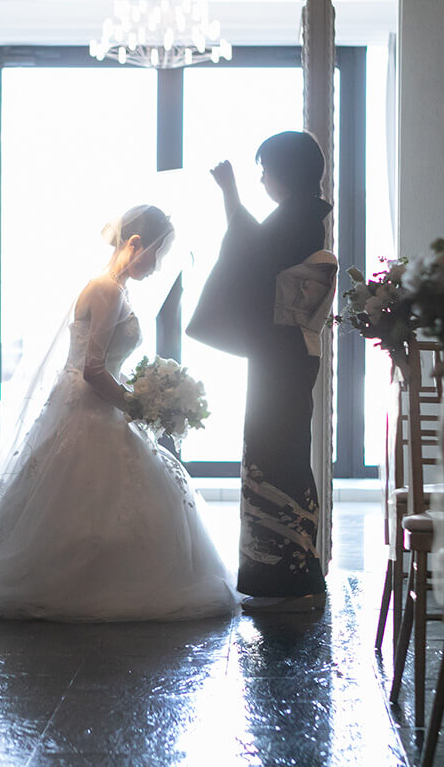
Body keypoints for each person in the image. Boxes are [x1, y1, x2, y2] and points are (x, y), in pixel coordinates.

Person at [0, 205, 238, 621]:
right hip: (91, 407)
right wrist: (137, 405)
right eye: (158, 254)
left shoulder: (115, 289)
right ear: (134, 244)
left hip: (96, 404)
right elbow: (93, 370)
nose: (160, 266)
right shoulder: (107, 290)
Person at [187, 131, 333, 613]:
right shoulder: (305, 215)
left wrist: (230, 194)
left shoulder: (299, 216)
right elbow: (256, 252)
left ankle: (284, 578)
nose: (264, 179)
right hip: (286, 351)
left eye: (266, 170)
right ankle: (290, 572)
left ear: (285, 170)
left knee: (276, 454)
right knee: (279, 451)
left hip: (280, 353)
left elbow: (250, 255)